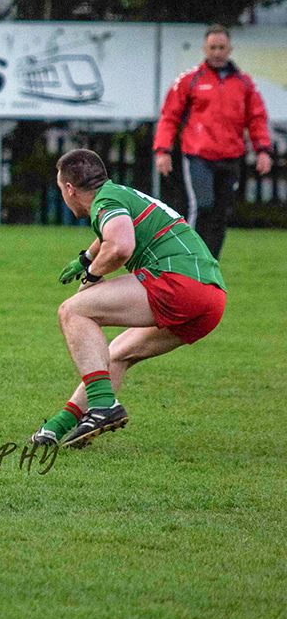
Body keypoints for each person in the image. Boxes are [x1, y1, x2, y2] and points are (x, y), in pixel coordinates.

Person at [29, 148, 226, 450]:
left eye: (61, 188)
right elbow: (111, 233)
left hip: (179, 282)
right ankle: (59, 427)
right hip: (211, 300)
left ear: (69, 189)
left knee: (73, 311)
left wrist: (92, 276)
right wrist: (86, 258)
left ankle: (104, 406)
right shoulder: (116, 195)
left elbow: (120, 245)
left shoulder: (106, 202)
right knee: (118, 353)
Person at [153, 24, 272, 259]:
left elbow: (257, 118)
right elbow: (169, 116)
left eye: (221, 47)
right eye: (212, 47)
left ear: (230, 49)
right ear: (205, 49)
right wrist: (162, 150)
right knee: (202, 206)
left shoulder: (245, 84)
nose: (217, 52)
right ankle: (189, 258)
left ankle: (210, 263)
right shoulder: (190, 80)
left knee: (221, 214)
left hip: (231, 155)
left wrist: (263, 150)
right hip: (198, 155)